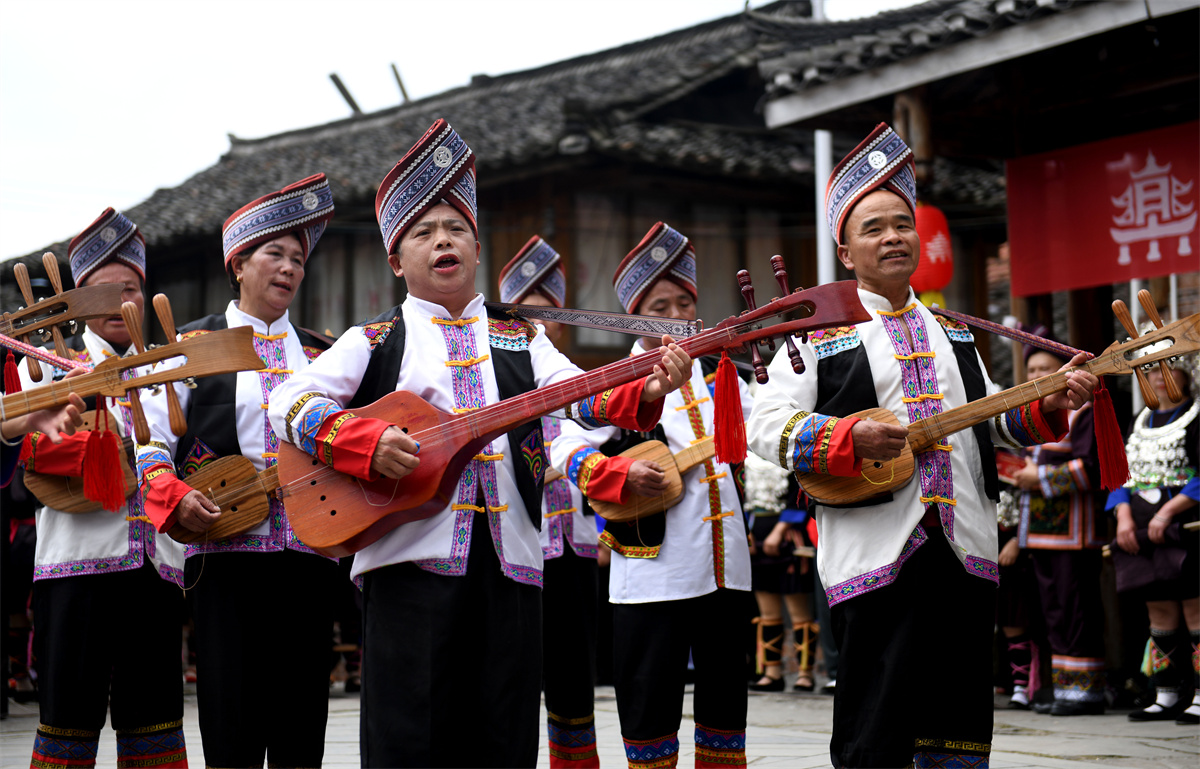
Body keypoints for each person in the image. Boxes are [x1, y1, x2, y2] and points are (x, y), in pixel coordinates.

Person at [267, 119, 691, 768]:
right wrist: (362, 439)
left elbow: (579, 396)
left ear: (476, 247)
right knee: (410, 740)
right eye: (423, 232)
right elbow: (288, 402)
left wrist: (649, 385)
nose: (443, 239)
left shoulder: (521, 337)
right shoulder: (375, 339)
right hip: (408, 565)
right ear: (395, 260)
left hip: (512, 563)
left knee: (504, 736)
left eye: (456, 229)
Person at [745, 123, 1097, 768]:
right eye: (873, 228)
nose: (893, 237)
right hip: (874, 547)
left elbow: (992, 423)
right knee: (876, 723)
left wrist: (1046, 404)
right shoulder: (816, 333)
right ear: (845, 252)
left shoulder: (954, 333)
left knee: (957, 719)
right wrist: (846, 436)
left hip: (963, 546)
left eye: (902, 225)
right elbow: (765, 423)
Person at [135, 174, 339, 766]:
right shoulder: (189, 345)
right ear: (239, 264)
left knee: (303, 723)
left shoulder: (323, 354)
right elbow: (151, 444)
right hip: (225, 555)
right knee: (233, 724)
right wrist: (174, 495)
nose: (289, 268)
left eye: (298, 259)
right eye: (275, 253)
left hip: (309, 557)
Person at [550, 222, 753, 769]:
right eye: (658, 306)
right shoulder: (615, 379)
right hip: (652, 570)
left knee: (725, 706)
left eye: (684, 303)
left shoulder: (723, 372)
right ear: (634, 315)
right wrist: (617, 475)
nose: (675, 315)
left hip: (726, 566)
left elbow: (764, 427)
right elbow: (563, 444)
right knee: (649, 707)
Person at [17, 209, 188, 768]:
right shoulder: (47, 367)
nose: (118, 301)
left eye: (130, 289)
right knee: (67, 725)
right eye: (102, 291)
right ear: (76, 300)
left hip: (155, 571)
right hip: (75, 569)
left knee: (155, 724)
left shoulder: (170, 372)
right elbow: (23, 445)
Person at [498, 235, 602, 767]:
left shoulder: (578, 383)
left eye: (548, 316)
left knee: (572, 677)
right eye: (527, 317)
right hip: (514, 547)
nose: (539, 327)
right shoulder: (495, 381)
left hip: (573, 550)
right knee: (510, 672)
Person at [1010, 330, 1108, 715]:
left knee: (1075, 608)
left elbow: (1093, 467)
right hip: (1039, 529)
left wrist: (1040, 478)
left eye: (1045, 368)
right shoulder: (1028, 414)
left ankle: (1086, 691)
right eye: (1031, 369)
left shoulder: (1083, 410)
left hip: (1074, 530)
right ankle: (1061, 688)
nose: (1037, 375)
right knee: (1051, 610)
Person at [1108, 349, 1198, 724]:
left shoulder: (1196, 417)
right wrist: (1123, 515)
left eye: (1169, 369)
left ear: (1187, 375)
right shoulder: (1139, 420)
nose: (1161, 377)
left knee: (1194, 608)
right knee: (1159, 609)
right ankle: (1166, 693)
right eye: (1153, 371)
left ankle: (1199, 695)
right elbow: (1119, 472)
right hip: (1142, 530)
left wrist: (1169, 511)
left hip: (1185, 527)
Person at [744, 454, 818, 693]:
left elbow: (800, 496)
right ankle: (772, 672)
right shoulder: (744, 460)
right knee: (767, 613)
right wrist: (746, 533)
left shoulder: (790, 455)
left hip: (789, 539)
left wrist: (779, 531)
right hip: (756, 538)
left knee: (799, 613)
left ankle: (805, 674)